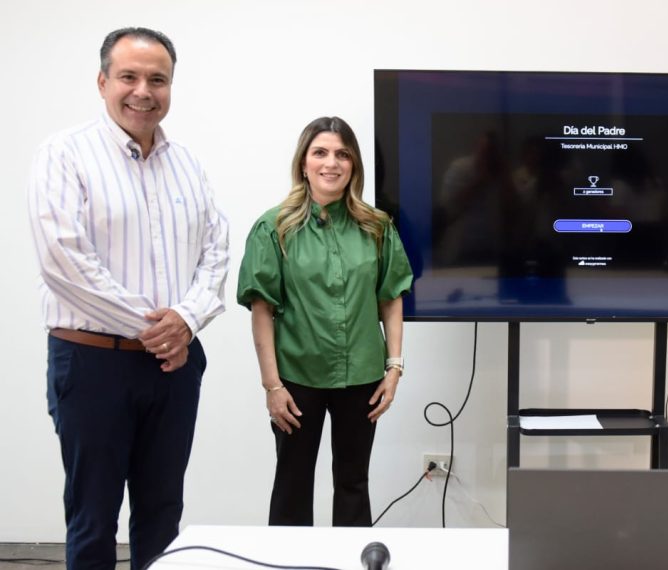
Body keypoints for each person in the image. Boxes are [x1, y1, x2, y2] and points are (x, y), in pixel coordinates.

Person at [27, 27, 229, 568]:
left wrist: (185, 320)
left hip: (174, 367)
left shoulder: (188, 164)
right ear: (102, 82)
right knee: (93, 518)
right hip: (93, 362)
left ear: (171, 87)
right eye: (129, 77)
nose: (144, 91)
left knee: (163, 513)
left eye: (157, 80)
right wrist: (159, 328)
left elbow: (216, 250)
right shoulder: (65, 154)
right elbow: (64, 261)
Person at [236, 117, 413, 526]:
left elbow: (390, 299)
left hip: (363, 376)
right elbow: (262, 311)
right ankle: (288, 558)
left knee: (353, 482)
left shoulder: (377, 227)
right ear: (304, 162)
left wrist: (394, 368)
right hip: (296, 378)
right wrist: (272, 386)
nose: (331, 163)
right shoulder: (273, 228)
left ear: (354, 165)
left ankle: (350, 556)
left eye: (342, 154)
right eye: (320, 153)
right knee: (292, 483)